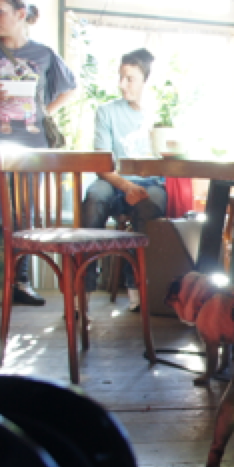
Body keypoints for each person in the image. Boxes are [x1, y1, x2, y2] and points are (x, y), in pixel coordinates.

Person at [0, 0, 77, 310]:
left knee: (26, 215)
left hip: (33, 145)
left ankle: (21, 282)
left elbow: (70, 88)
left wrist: (44, 112)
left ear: (21, 13)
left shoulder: (45, 54)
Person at [81, 48, 167, 312]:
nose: (122, 84)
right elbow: (101, 164)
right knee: (94, 198)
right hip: (113, 181)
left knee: (152, 201)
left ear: (146, 81)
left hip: (148, 182)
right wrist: (127, 186)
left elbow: (167, 160)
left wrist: (139, 186)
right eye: (121, 77)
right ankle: (83, 288)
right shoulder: (106, 112)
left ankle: (136, 285)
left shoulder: (160, 114)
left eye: (130, 79)